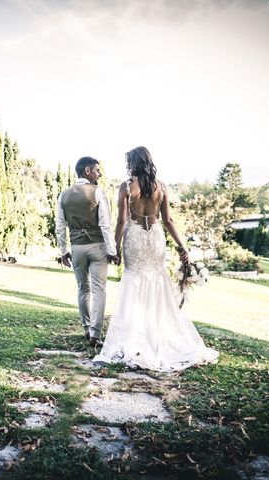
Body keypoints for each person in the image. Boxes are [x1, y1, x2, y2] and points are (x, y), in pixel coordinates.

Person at [93, 146, 218, 371]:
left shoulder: (127, 186)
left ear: (133, 163)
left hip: (135, 238)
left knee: (133, 279)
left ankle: (136, 336)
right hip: (156, 238)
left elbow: (122, 221)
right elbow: (168, 220)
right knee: (158, 281)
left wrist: (115, 248)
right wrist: (182, 246)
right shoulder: (162, 187)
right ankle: (157, 334)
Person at [56, 156, 119, 348]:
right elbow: (105, 225)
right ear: (87, 171)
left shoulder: (63, 196)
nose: (100, 174)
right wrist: (113, 250)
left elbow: (60, 227)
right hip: (97, 246)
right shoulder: (97, 192)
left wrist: (63, 250)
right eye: (97, 170)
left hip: (77, 248)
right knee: (99, 290)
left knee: (83, 289)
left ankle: (86, 327)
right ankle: (95, 334)